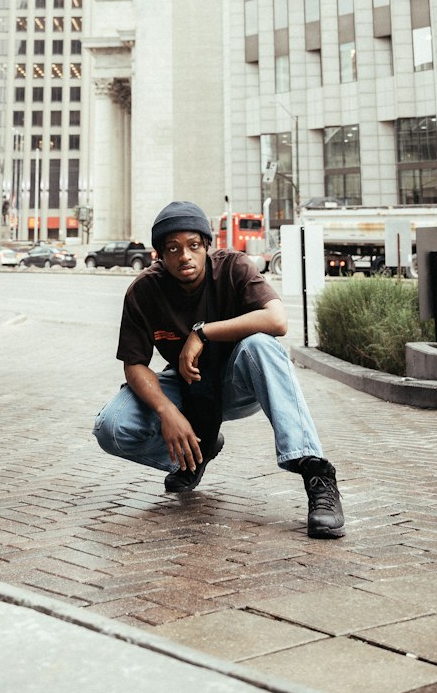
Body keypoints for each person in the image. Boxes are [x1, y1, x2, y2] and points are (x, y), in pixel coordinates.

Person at [92, 200, 344, 539]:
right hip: (187, 387)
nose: (185, 256)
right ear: (160, 256)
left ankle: (315, 470)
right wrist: (167, 412)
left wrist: (202, 332)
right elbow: (134, 364)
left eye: (193, 245)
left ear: (207, 247)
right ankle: (197, 452)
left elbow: (277, 320)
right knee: (111, 427)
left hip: (237, 381)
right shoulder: (144, 291)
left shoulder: (234, 267)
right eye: (173, 248)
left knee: (262, 345)